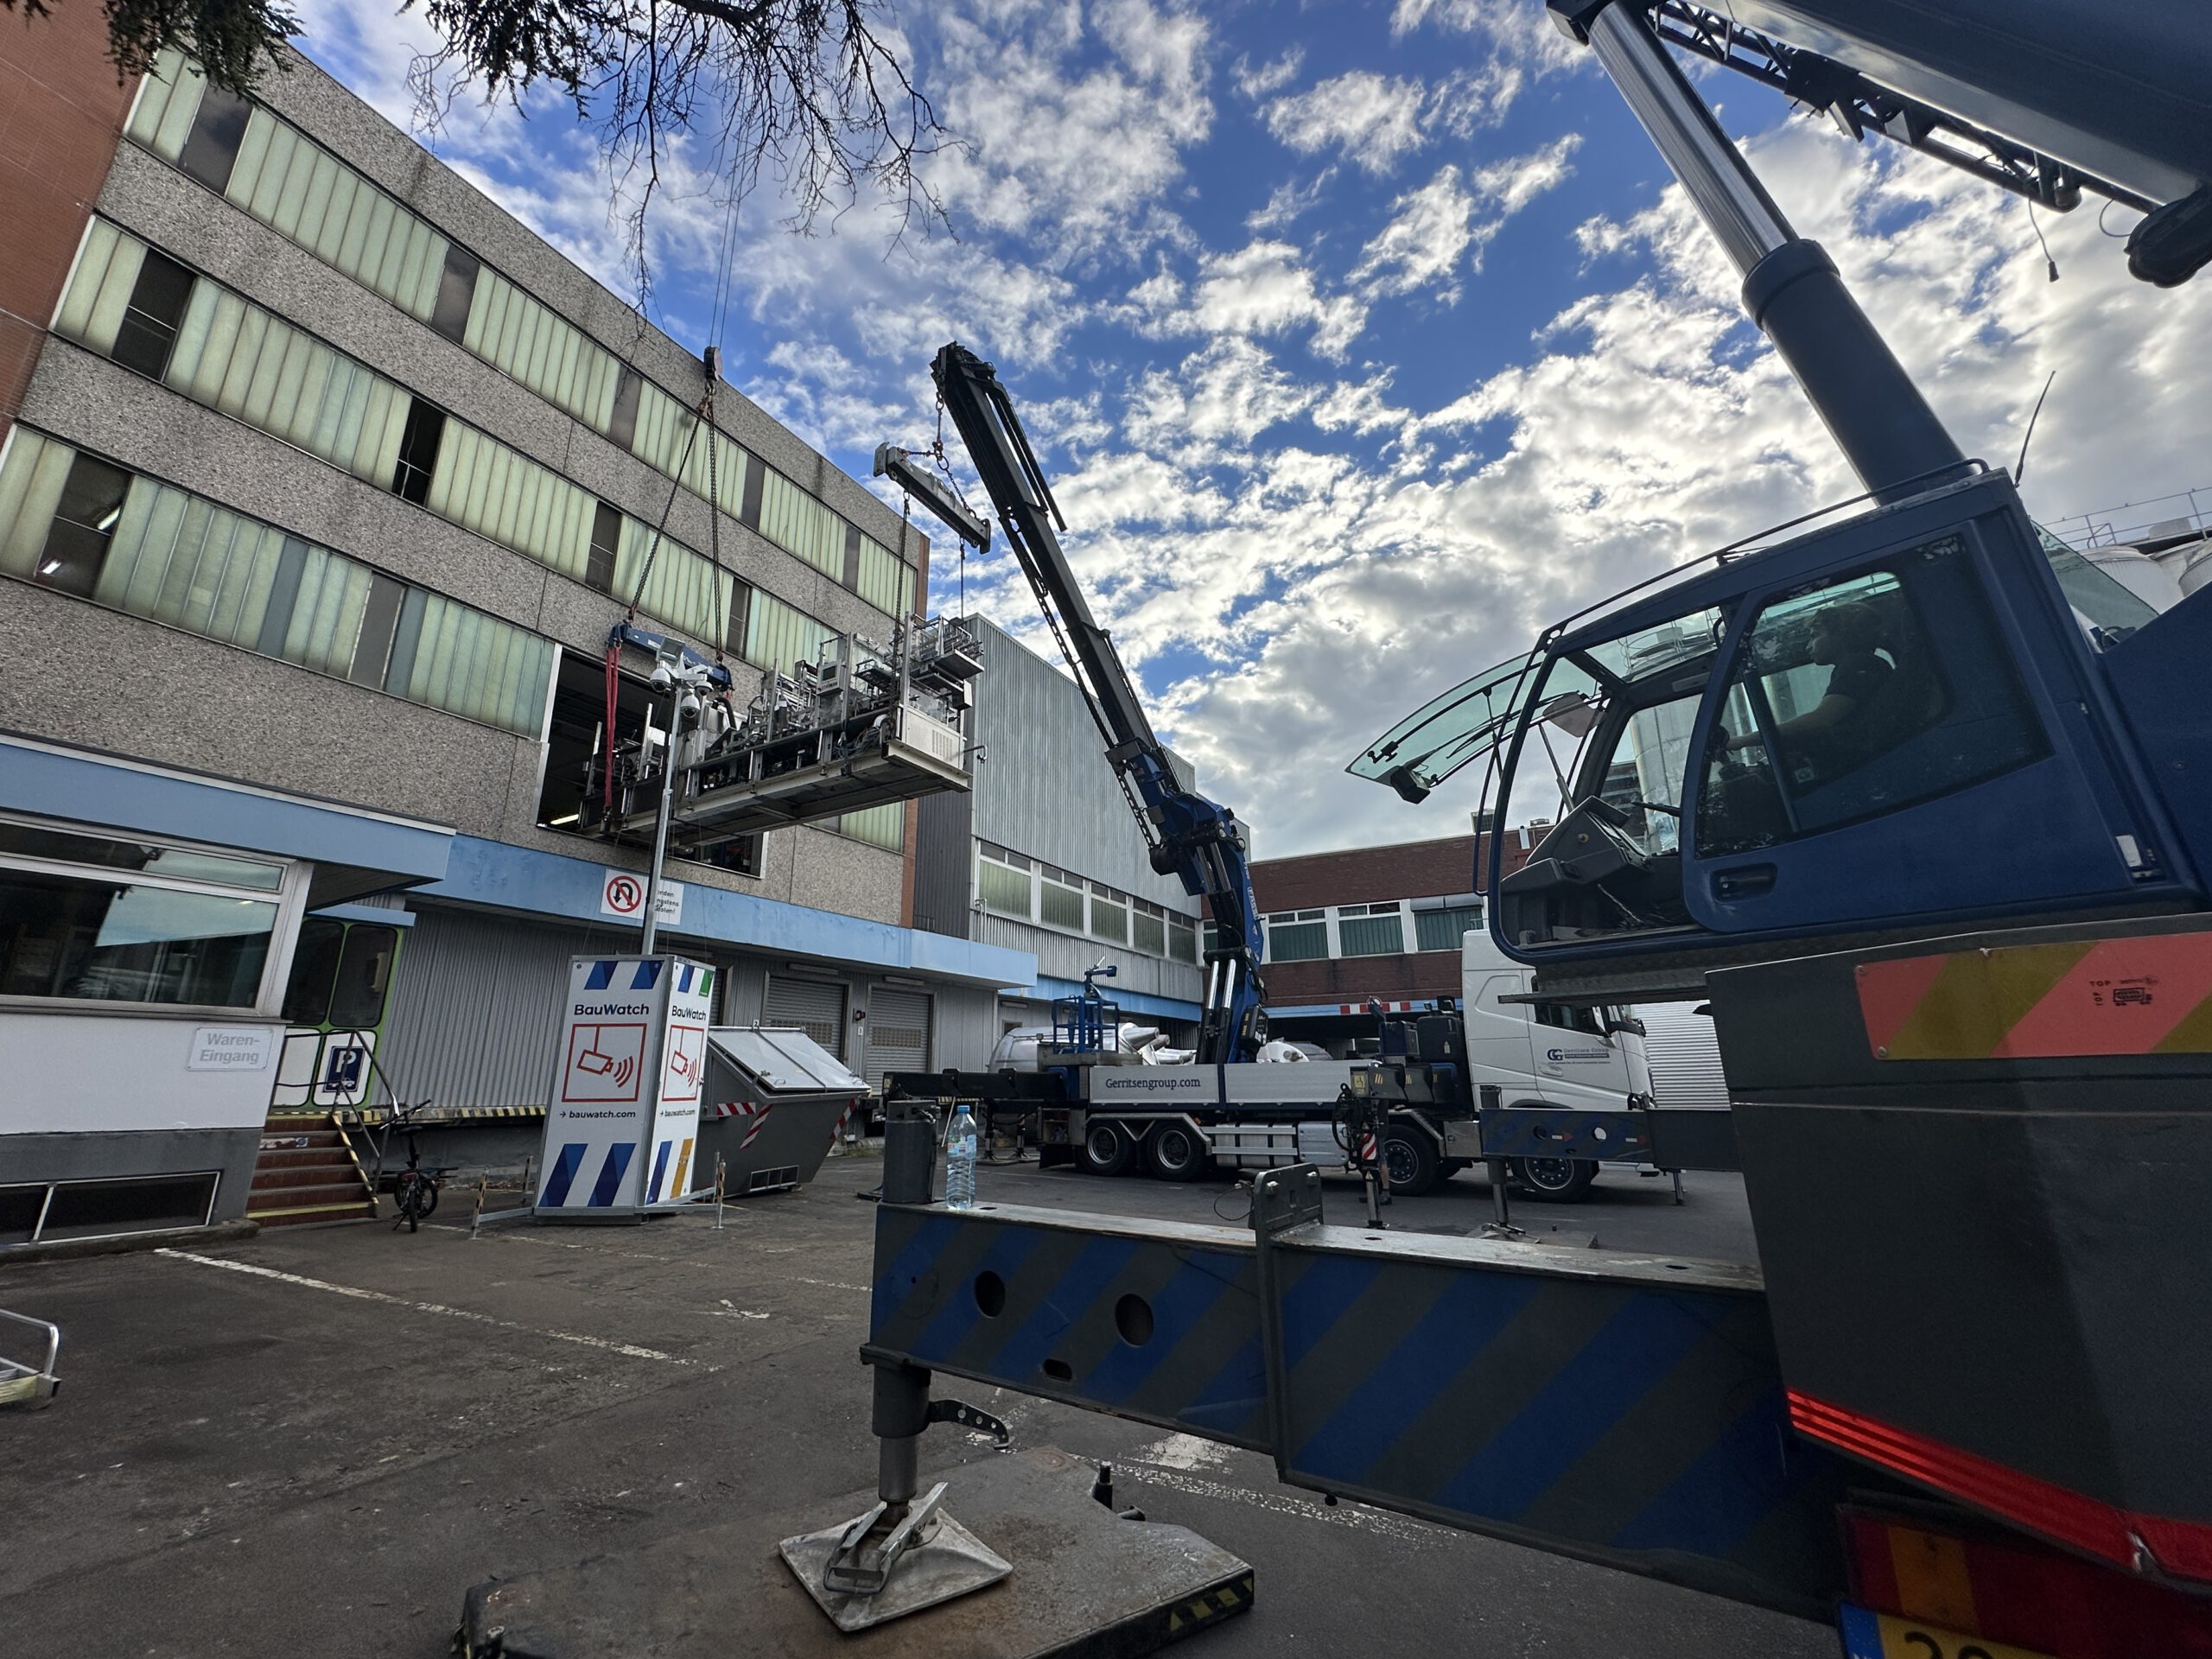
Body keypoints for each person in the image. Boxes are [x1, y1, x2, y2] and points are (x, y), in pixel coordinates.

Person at [1726, 601, 1894, 778]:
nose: (1808, 646)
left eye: (1814, 636)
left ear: (1840, 634)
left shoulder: (1859, 666)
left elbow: (1819, 721)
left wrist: (1741, 741)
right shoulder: (1861, 666)